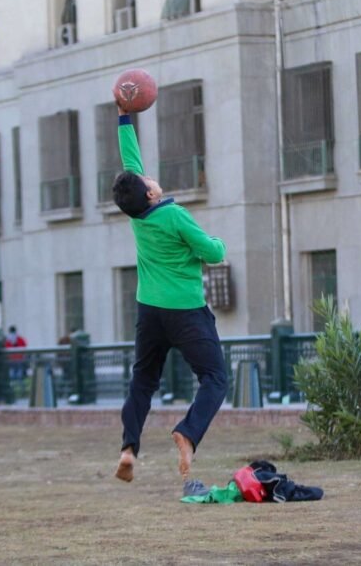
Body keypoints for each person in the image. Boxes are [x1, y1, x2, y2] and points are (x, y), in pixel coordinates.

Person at [112, 101, 228, 484]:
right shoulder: (173, 215)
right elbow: (213, 252)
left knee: (143, 379)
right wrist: (214, 241)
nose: (149, 179)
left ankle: (129, 448)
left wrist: (123, 117)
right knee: (214, 376)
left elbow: (130, 162)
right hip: (186, 311)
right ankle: (188, 434)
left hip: (150, 311)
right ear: (148, 194)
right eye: (146, 181)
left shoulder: (137, 218)